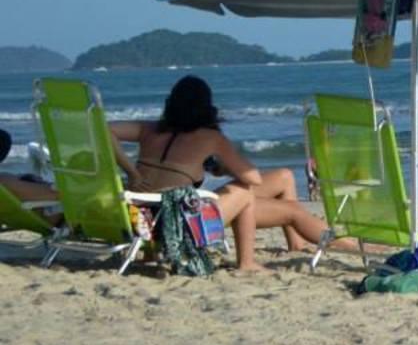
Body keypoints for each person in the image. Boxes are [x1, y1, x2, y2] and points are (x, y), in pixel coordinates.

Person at [0, 76, 351, 271]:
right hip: (177, 223)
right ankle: (249, 262)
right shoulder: (210, 136)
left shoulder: (150, 128)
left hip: (140, 211)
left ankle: (297, 243)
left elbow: (101, 128)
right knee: (250, 193)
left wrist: (130, 170)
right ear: (207, 106)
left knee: (285, 178)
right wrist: (219, 162)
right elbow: (254, 179)